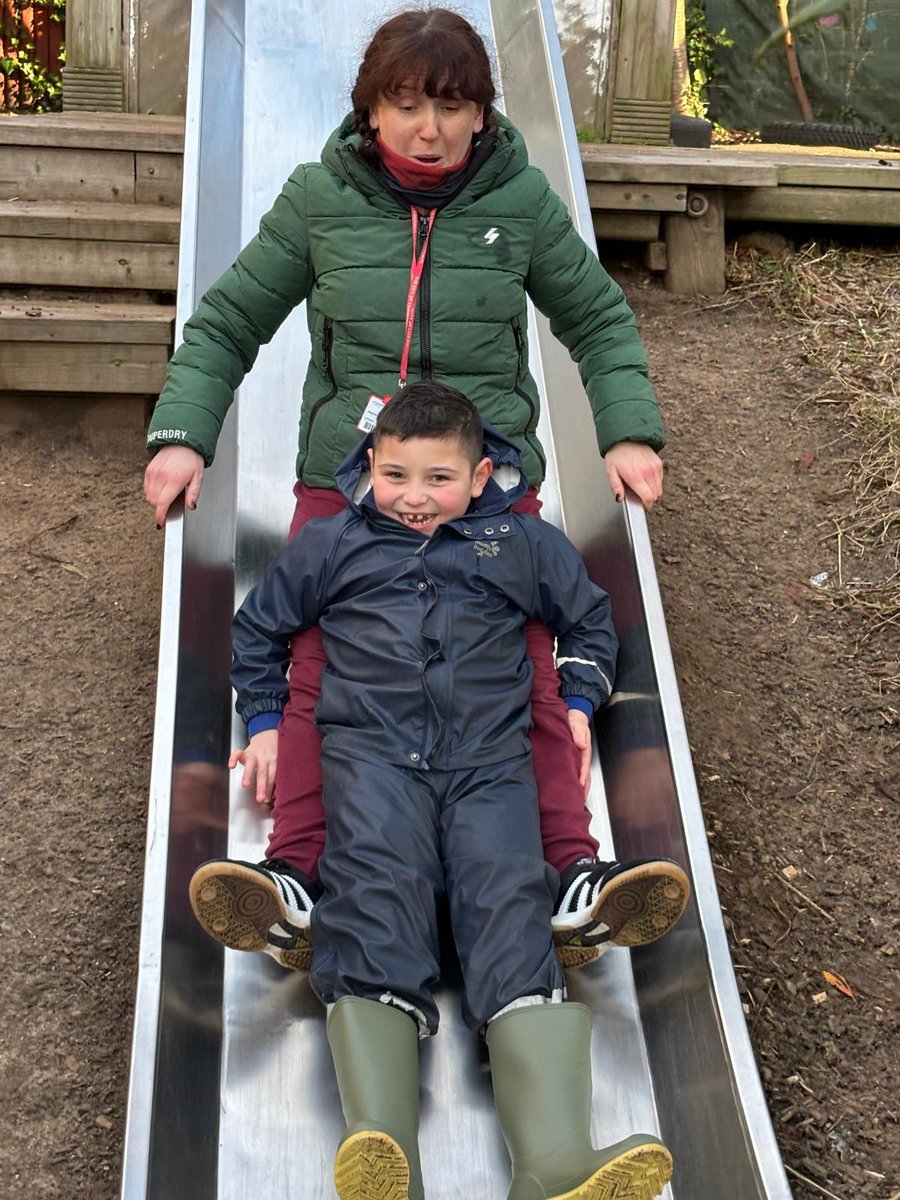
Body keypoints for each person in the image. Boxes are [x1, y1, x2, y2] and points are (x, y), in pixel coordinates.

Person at [148, 8, 687, 972]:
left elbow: (599, 320)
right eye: (404, 106)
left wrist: (628, 430)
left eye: (449, 106)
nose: (426, 129)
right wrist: (185, 437)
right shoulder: (320, 198)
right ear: (371, 110)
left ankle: (568, 872)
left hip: (484, 485)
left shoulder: (518, 202)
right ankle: (298, 878)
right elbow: (229, 320)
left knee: (522, 661)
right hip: (354, 484)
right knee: (322, 666)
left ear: (482, 115)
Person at [193, 385, 674, 1200]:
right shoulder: (333, 544)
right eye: (395, 476)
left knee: (509, 904)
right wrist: (267, 720)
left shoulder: (517, 545)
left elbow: (589, 620)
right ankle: (384, 1148)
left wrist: (581, 699)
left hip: (490, 763)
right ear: (369, 469)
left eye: (439, 479)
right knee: (377, 897)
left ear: (482, 474)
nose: (415, 498)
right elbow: (259, 629)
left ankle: (552, 1161)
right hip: (373, 760)